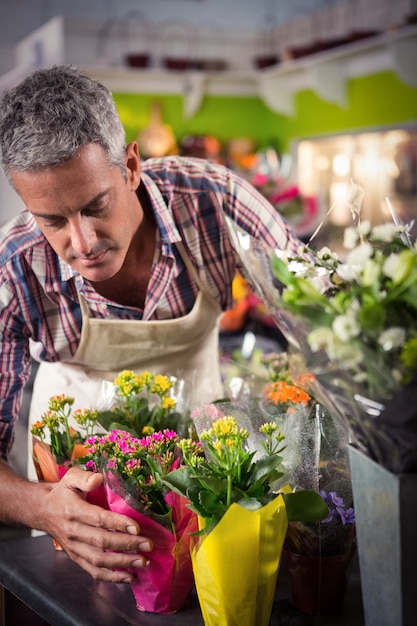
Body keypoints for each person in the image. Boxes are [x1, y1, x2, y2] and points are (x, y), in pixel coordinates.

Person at [0, 65, 302, 582]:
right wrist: (40, 506)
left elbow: (321, 323)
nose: (84, 241)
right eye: (53, 220)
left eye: (97, 206)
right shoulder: (15, 265)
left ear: (132, 166)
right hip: (84, 531)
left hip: (215, 493)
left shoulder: (215, 202)